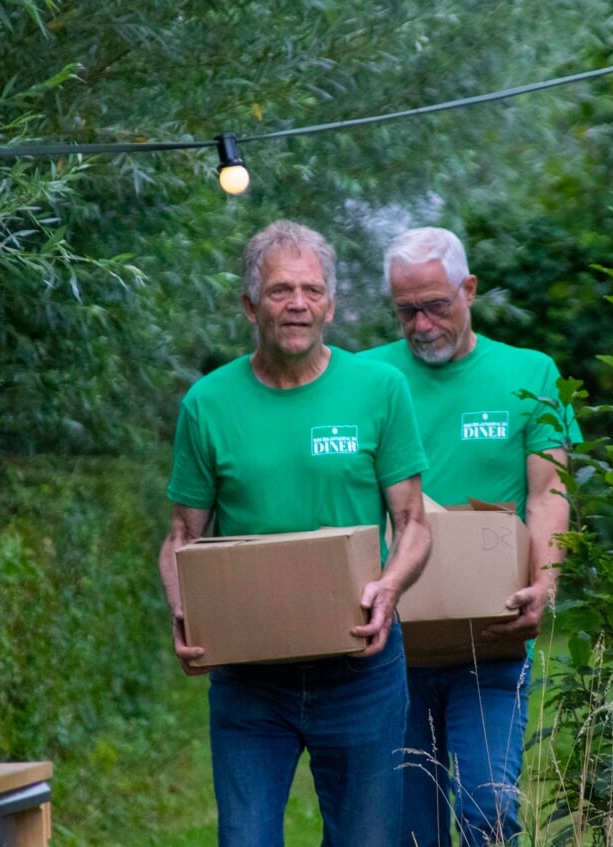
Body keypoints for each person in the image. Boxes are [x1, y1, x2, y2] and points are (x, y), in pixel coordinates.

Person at [158, 219, 433, 847]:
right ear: (250, 304)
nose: (298, 304)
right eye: (281, 291)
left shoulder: (379, 389)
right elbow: (181, 535)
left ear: (332, 305)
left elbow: (413, 522)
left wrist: (389, 588)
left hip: (359, 668)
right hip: (251, 676)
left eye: (312, 290)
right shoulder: (208, 403)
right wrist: (184, 609)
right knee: (245, 839)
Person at [360, 226, 580, 847]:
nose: (422, 324)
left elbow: (549, 492)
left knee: (487, 810)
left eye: (437, 305)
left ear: (470, 289)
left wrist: (544, 584)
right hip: (391, 640)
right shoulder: (365, 378)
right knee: (408, 826)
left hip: (492, 634)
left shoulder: (529, 372)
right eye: (407, 311)